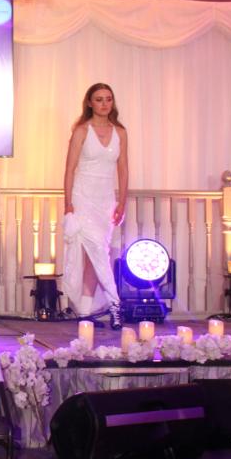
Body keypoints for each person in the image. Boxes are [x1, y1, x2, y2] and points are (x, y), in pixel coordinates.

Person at [61, 83, 129, 329]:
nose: (104, 104)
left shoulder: (120, 132)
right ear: (90, 102)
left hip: (105, 200)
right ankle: (115, 305)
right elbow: (69, 169)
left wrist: (122, 202)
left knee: (96, 255)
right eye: (99, 99)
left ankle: (85, 311)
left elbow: (123, 169)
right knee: (97, 251)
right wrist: (68, 204)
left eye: (108, 99)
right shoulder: (81, 131)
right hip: (82, 197)